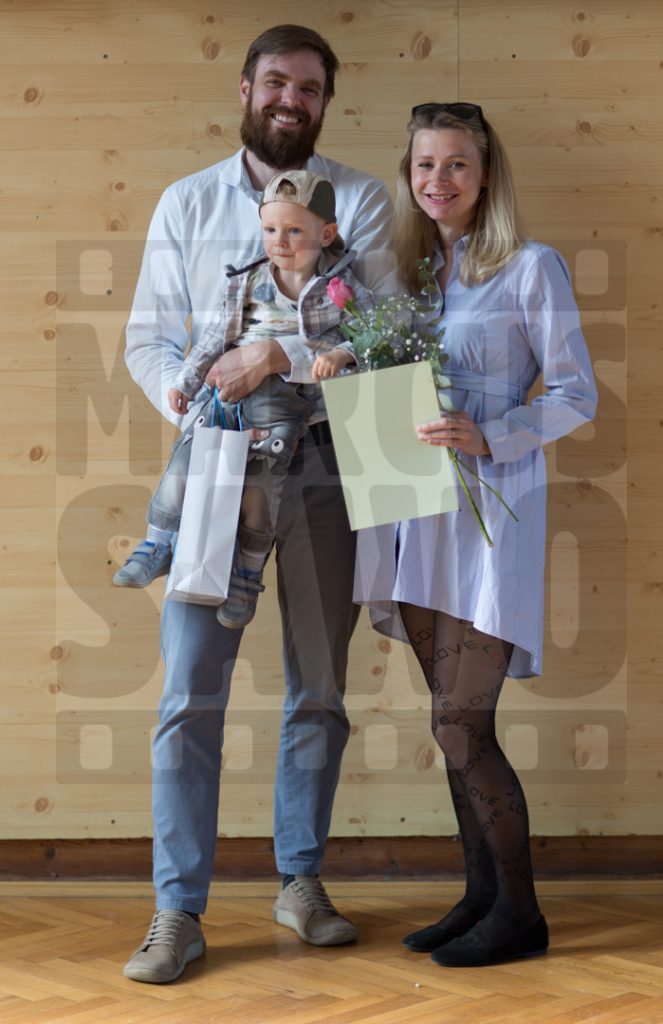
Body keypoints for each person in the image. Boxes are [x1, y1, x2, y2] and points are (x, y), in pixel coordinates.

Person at [122, 24, 394, 984]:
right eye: (275, 81)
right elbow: (148, 339)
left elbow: (383, 335)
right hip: (218, 468)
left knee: (318, 689)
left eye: (309, 88)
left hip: (326, 468)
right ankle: (176, 910)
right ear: (245, 88)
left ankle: (300, 880)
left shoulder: (360, 200)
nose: (290, 99)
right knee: (189, 692)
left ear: (325, 103)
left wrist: (278, 354)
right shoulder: (187, 202)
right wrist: (201, 402)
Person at [354, 102, 597, 968]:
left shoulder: (531, 267)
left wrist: (493, 435)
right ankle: (479, 897)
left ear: (486, 174)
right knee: (446, 721)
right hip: (418, 511)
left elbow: (575, 393)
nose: (438, 181)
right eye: (424, 165)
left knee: (464, 724)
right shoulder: (410, 279)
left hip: (490, 509)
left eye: (455, 164)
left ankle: (521, 914)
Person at [114, 169, 364, 630]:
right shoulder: (249, 278)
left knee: (259, 488)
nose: (279, 242)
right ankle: (158, 541)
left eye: (294, 231)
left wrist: (340, 354)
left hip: (285, 399)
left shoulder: (340, 287)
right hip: (225, 392)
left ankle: (247, 574)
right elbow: (215, 337)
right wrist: (187, 382)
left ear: (326, 234)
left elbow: (370, 340)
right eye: (270, 229)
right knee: (187, 462)